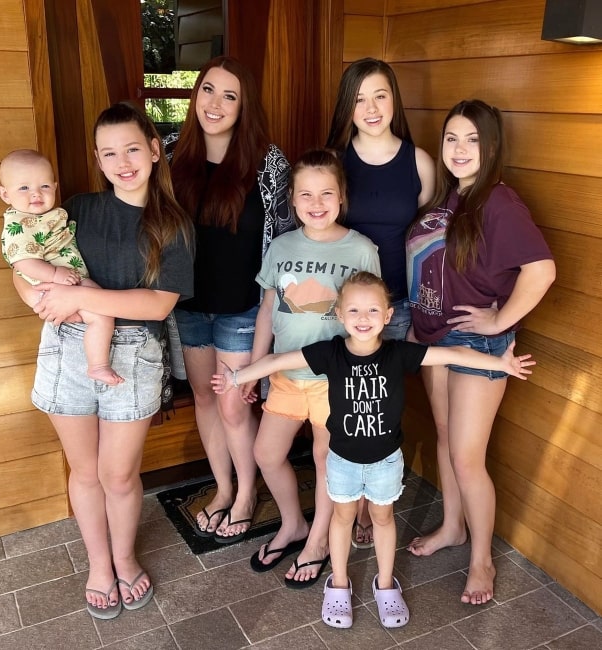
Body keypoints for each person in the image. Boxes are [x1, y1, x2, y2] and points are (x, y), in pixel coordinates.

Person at [212, 271, 535, 629]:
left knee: (383, 519)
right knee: (342, 519)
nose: (362, 318)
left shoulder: (398, 354)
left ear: (387, 315)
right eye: (353, 310)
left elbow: (454, 352)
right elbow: (278, 361)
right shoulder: (330, 353)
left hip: (385, 463)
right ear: (339, 314)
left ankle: (385, 584)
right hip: (342, 462)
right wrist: (235, 378)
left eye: (372, 310)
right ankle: (338, 583)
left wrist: (500, 363)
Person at [13, 102, 194, 619]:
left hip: (135, 356)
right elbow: (22, 262)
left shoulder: (173, 225)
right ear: (97, 159)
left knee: (118, 475)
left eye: (133, 149)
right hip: (67, 346)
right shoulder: (75, 209)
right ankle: (99, 565)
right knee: (86, 471)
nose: (123, 162)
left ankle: (125, 557)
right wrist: (40, 300)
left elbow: (157, 304)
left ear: (155, 150)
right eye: (109, 153)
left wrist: (80, 296)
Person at [405, 99, 555, 605]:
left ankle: (482, 561)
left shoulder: (499, 201)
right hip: (434, 337)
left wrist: (499, 319)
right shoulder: (451, 198)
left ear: (491, 146)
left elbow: (542, 270)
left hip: (476, 342)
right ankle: (453, 527)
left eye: (472, 139)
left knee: (467, 457)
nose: (460, 149)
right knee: (446, 437)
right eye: (452, 138)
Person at [167, 56, 294, 543]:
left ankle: (246, 493)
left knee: (235, 406)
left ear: (245, 106)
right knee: (204, 397)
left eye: (229, 95)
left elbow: (284, 239)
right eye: (207, 90)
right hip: (189, 305)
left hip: (243, 306)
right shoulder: (172, 153)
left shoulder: (268, 163)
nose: (215, 103)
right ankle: (223, 489)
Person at [247, 149, 381, 588]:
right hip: (285, 376)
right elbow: (267, 309)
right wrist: (255, 366)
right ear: (292, 198)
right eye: (305, 194)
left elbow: (373, 315)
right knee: (267, 453)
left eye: (326, 193)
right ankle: (294, 524)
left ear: (342, 196)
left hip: (335, 380)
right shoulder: (281, 246)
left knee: (327, 460)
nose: (316, 203)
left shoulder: (361, 249)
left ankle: (319, 541)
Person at [326, 57, 435, 549]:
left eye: (380, 95)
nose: (370, 108)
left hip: (397, 307)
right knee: (345, 409)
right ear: (346, 107)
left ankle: (377, 507)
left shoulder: (420, 163)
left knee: (381, 410)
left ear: (394, 100)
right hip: (343, 310)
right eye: (359, 98)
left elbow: (429, 236)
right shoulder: (335, 162)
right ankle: (345, 509)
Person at [0, 149, 122, 386]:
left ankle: (96, 363)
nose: (36, 193)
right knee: (101, 313)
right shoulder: (20, 224)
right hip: (54, 283)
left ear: (55, 187)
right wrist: (55, 274)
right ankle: (98, 365)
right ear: (5, 194)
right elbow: (23, 262)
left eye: (44, 186)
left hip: (66, 282)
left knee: (98, 312)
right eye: (24, 188)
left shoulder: (49, 215)